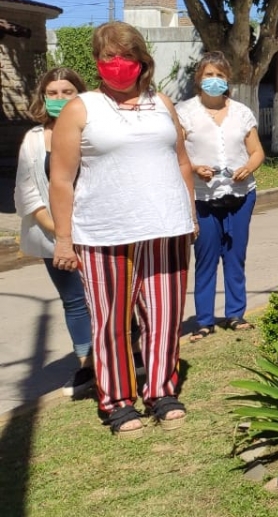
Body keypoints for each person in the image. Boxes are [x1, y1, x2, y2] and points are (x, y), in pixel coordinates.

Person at [49, 21, 196, 438]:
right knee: (111, 320)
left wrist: (190, 215)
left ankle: (161, 391)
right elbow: (61, 178)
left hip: (166, 228)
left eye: (126, 56)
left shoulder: (162, 103)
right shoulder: (82, 108)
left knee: (165, 315)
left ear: (141, 61)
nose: (118, 64)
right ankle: (116, 401)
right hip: (104, 232)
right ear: (98, 62)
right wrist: (63, 237)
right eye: (109, 56)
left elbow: (182, 161)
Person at [14, 67, 95, 396]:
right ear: (43, 98)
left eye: (67, 92)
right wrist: (61, 231)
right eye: (53, 93)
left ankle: (130, 353)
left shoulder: (92, 132)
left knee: (113, 297)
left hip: (97, 231)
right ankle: (86, 367)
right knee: (75, 301)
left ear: (80, 96)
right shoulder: (33, 140)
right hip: (53, 236)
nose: (59, 99)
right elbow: (27, 194)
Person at [177, 52, 265, 341]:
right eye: (208, 75)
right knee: (205, 258)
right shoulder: (184, 113)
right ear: (198, 79)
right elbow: (174, 154)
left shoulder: (241, 112)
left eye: (219, 75)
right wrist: (193, 168)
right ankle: (203, 320)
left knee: (235, 256)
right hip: (203, 199)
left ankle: (236, 314)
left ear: (228, 80)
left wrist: (247, 168)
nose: (214, 81)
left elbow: (257, 152)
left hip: (240, 195)